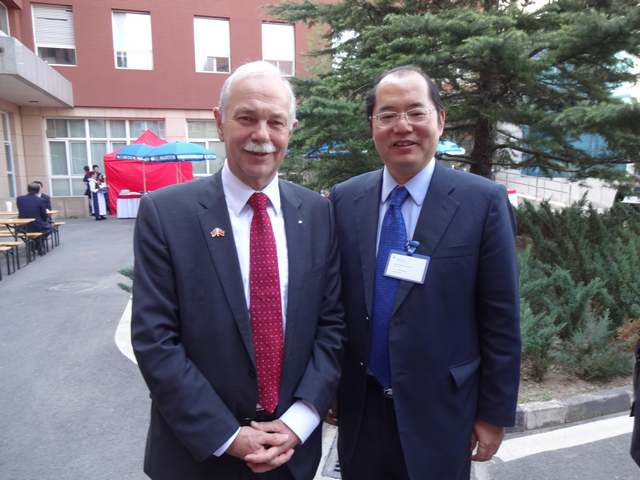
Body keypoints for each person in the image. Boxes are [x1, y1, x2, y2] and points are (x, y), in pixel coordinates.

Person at [131, 61, 345, 480]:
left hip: (290, 453)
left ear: (290, 130)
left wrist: (299, 421)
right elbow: (155, 339)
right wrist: (227, 435)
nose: (261, 135)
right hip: (197, 456)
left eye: (275, 122)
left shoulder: (320, 214)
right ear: (219, 122)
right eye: (246, 118)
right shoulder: (166, 213)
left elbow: (332, 325)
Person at [328, 65, 521, 480]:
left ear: (440, 120)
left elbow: (501, 318)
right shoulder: (345, 199)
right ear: (372, 125)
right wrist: (329, 386)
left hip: (443, 410)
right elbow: (334, 305)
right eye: (387, 115)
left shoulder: (482, 202)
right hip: (361, 407)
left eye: (416, 112)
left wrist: (493, 413)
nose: (403, 127)